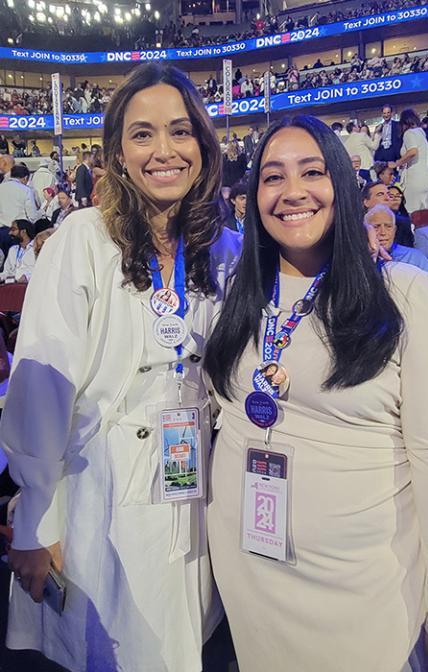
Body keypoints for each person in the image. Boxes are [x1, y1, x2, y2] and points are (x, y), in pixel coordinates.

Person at [205, 114, 428, 672]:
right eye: (272, 177)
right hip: (251, 583)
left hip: (361, 596)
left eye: (312, 171)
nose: (292, 192)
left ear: (342, 185)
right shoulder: (237, 291)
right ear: (253, 195)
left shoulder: (403, 294)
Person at [2, 63, 241, 672]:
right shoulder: (82, 238)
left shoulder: (224, 248)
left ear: (203, 147)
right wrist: (34, 521)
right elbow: (40, 391)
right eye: (143, 134)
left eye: (181, 131)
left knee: (183, 646)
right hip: (96, 489)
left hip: (194, 487)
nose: (164, 150)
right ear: (117, 152)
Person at [365, 204, 428, 282]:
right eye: (376, 227)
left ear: (394, 230)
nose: (383, 232)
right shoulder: (361, 259)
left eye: (388, 226)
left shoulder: (415, 257)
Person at [390, 108, 428, 214]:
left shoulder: (409, 133)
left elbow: (413, 151)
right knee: (424, 211)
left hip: (415, 177)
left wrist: (397, 163)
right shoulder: (421, 132)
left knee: (412, 211)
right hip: (426, 176)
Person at [0, 164, 42, 257]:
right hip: (19, 233)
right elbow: (32, 216)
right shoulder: (26, 190)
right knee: (18, 263)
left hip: (1, 231)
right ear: (25, 178)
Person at [0, 219, 36, 283]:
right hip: (10, 285)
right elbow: (6, 272)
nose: (10, 233)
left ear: (23, 232)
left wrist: (27, 277)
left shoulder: (36, 248)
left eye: (13, 230)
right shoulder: (12, 250)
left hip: (28, 286)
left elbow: (41, 270)